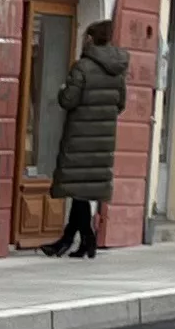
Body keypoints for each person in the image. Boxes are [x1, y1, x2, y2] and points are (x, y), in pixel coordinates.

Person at [44, 20, 129, 255]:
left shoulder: (82, 67)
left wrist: (62, 90)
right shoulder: (117, 70)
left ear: (90, 39)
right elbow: (120, 104)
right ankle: (78, 241)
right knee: (81, 191)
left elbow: (68, 100)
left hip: (80, 137)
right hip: (103, 139)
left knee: (77, 189)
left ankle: (78, 240)